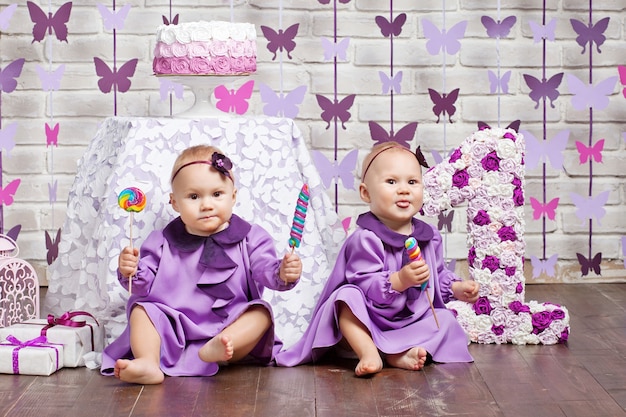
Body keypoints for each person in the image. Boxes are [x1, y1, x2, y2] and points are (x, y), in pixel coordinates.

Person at [101, 145, 303, 384]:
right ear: (175, 203)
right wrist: (131, 270)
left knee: (261, 313)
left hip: (229, 328)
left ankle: (217, 349)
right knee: (142, 310)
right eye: (194, 197)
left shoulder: (250, 238)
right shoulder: (162, 241)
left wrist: (283, 271)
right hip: (173, 328)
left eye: (217, 194)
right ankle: (148, 361)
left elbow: (266, 270)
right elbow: (142, 286)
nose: (206, 205)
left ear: (233, 196)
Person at [275, 142, 480, 376]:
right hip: (372, 320)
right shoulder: (366, 239)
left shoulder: (429, 237)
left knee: (444, 319)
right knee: (345, 300)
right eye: (391, 182)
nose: (403, 190)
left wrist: (455, 287)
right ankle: (369, 351)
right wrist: (400, 280)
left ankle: (399, 353)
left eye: (412, 182)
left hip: (411, 320)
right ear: (366, 193)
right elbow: (364, 284)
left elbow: (437, 274)